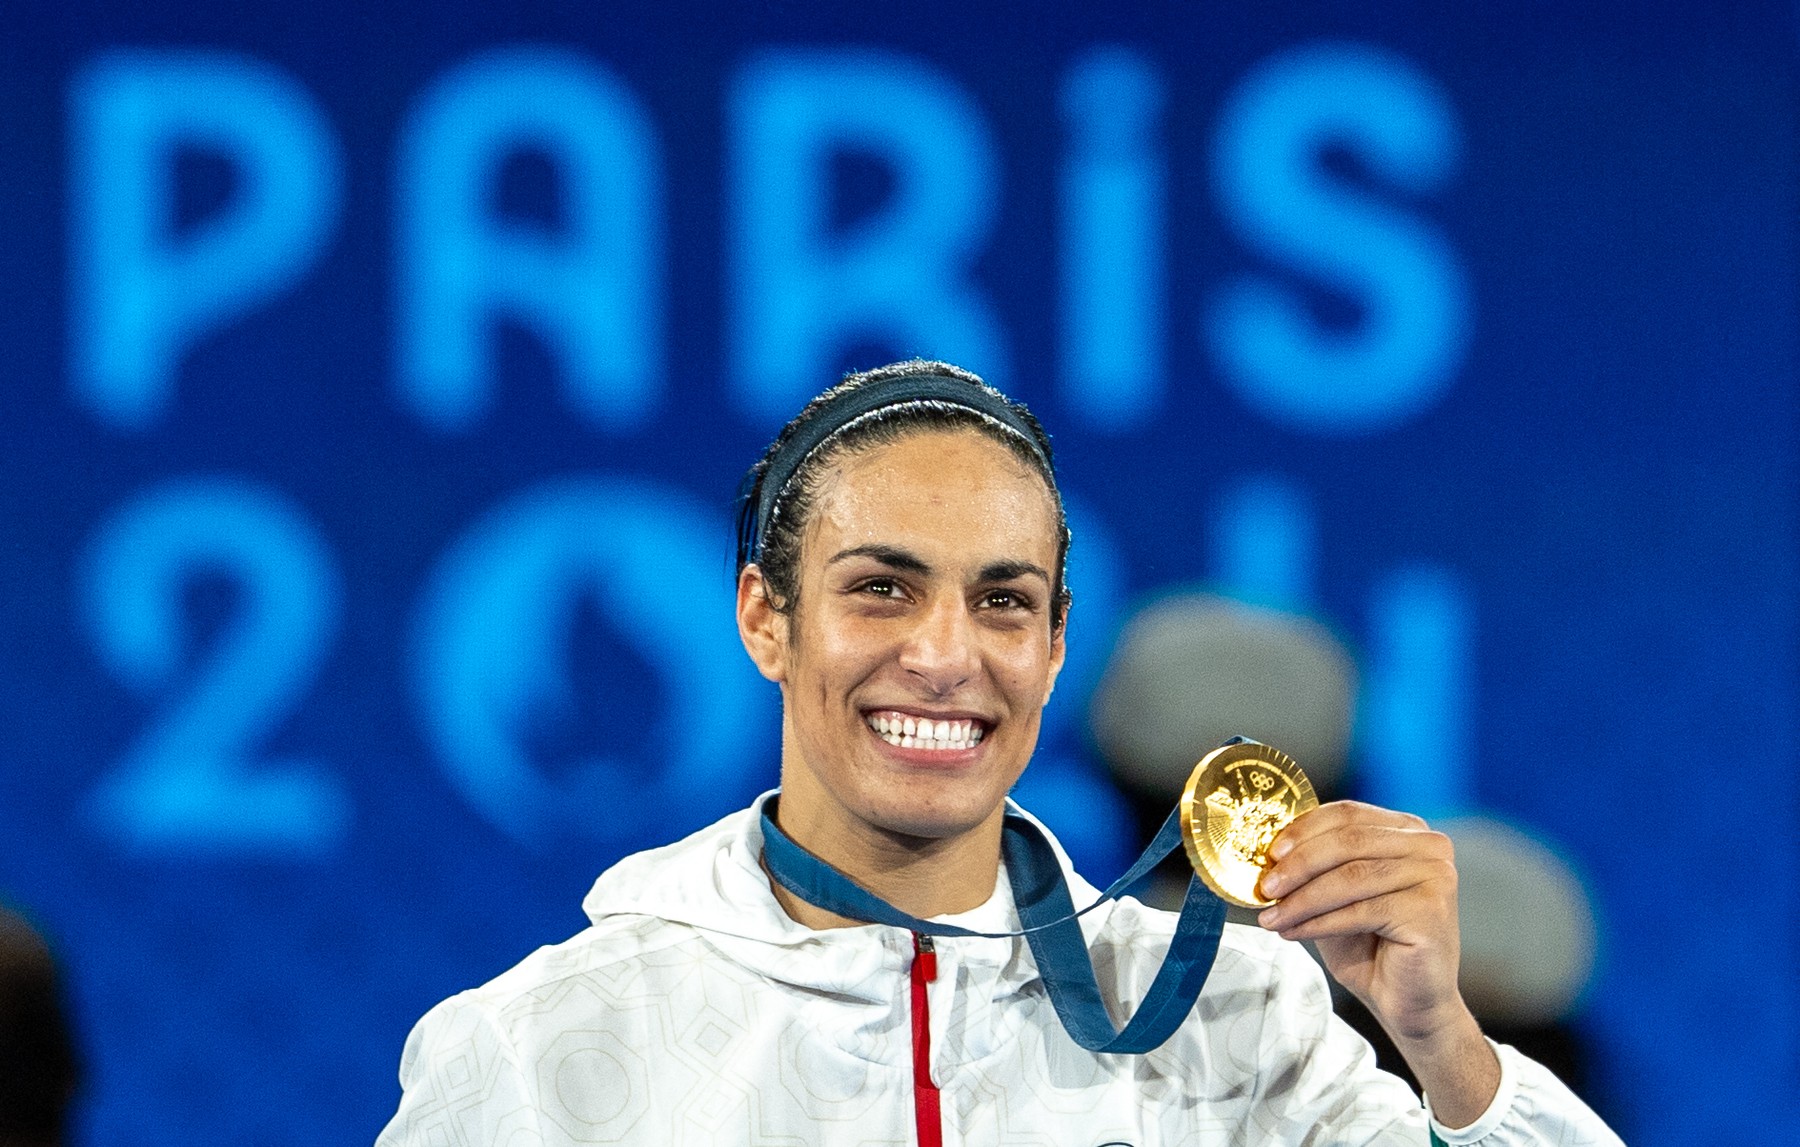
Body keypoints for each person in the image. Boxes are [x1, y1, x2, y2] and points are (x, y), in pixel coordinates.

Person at [377, 360, 1622, 1146]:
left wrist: (1445, 1048)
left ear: (1055, 642)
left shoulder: (1234, 1020)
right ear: (765, 616)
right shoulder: (541, 1050)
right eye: (880, 588)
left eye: (1003, 600)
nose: (943, 654)